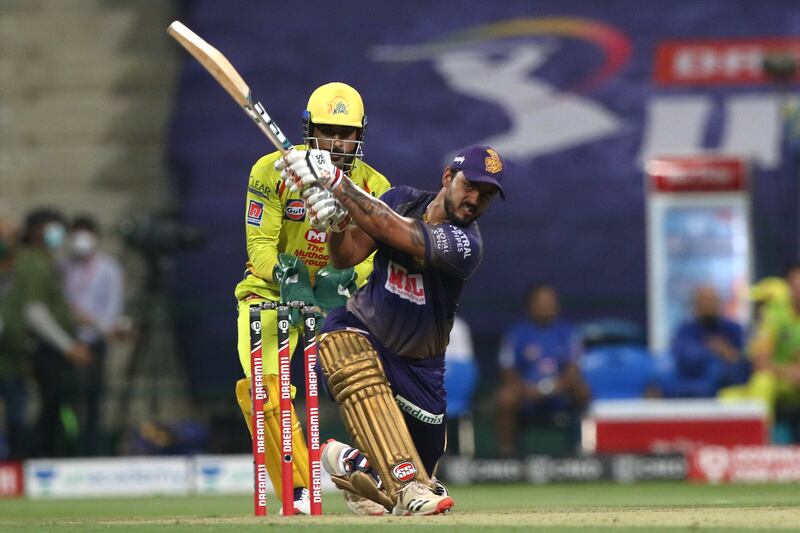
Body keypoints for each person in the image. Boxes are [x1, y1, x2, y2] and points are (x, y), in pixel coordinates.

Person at [276, 143, 507, 515]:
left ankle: (351, 463)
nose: (475, 199)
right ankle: (402, 484)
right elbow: (345, 256)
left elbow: (393, 229)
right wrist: (334, 224)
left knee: (423, 473)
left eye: (487, 195)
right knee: (410, 484)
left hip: (420, 370)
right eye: (470, 186)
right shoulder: (401, 198)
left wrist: (338, 184)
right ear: (448, 178)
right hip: (360, 328)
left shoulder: (467, 244)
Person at [232, 82, 390, 515]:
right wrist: (288, 274)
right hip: (270, 293)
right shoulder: (271, 171)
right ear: (309, 131)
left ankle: (377, 476)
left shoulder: (374, 186)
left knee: (369, 384)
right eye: (327, 131)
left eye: (346, 133)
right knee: (263, 389)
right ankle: (299, 490)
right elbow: (260, 247)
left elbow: (379, 257)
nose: (338, 141)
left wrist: (342, 277)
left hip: (339, 297)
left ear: (360, 135)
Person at [18, 209, 92, 457]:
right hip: (45, 348)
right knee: (51, 406)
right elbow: (35, 312)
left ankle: (49, 455)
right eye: (53, 228)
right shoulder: (33, 263)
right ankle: (39, 458)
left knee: (58, 405)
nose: (58, 234)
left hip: (52, 347)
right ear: (36, 231)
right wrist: (67, 345)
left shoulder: (46, 262)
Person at [494, 284, 589, 458]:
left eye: (550, 303)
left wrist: (554, 387)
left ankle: (581, 448)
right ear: (530, 306)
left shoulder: (568, 332)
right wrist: (526, 389)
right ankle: (507, 455)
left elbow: (574, 369)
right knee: (505, 397)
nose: (546, 308)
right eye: (541, 303)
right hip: (526, 394)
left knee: (582, 391)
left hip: (560, 393)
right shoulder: (516, 333)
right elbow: (507, 369)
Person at [62, 215, 125, 455]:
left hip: (96, 339)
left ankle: (92, 447)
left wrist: (97, 325)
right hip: (69, 341)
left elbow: (113, 305)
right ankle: (70, 444)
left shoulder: (108, 268)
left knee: (94, 397)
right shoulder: (64, 267)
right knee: (69, 397)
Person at [720, 265, 800, 441]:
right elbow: (760, 363)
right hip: (783, 383)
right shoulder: (773, 319)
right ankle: (757, 443)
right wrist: (790, 372)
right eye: (795, 287)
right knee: (763, 381)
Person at [667, 286, 749, 398]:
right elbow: (683, 357)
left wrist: (726, 351)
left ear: (719, 303)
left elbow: (741, 363)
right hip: (690, 378)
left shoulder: (733, 329)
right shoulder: (684, 330)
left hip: (725, 385)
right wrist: (709, 350)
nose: (707, 304)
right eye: (703, 300)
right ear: (695, 305)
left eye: (711, 300)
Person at [0, 219, 29, 459]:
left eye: (8, 236)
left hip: (15, 360)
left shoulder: (25, 270)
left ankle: (17, 465)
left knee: (17, 417)